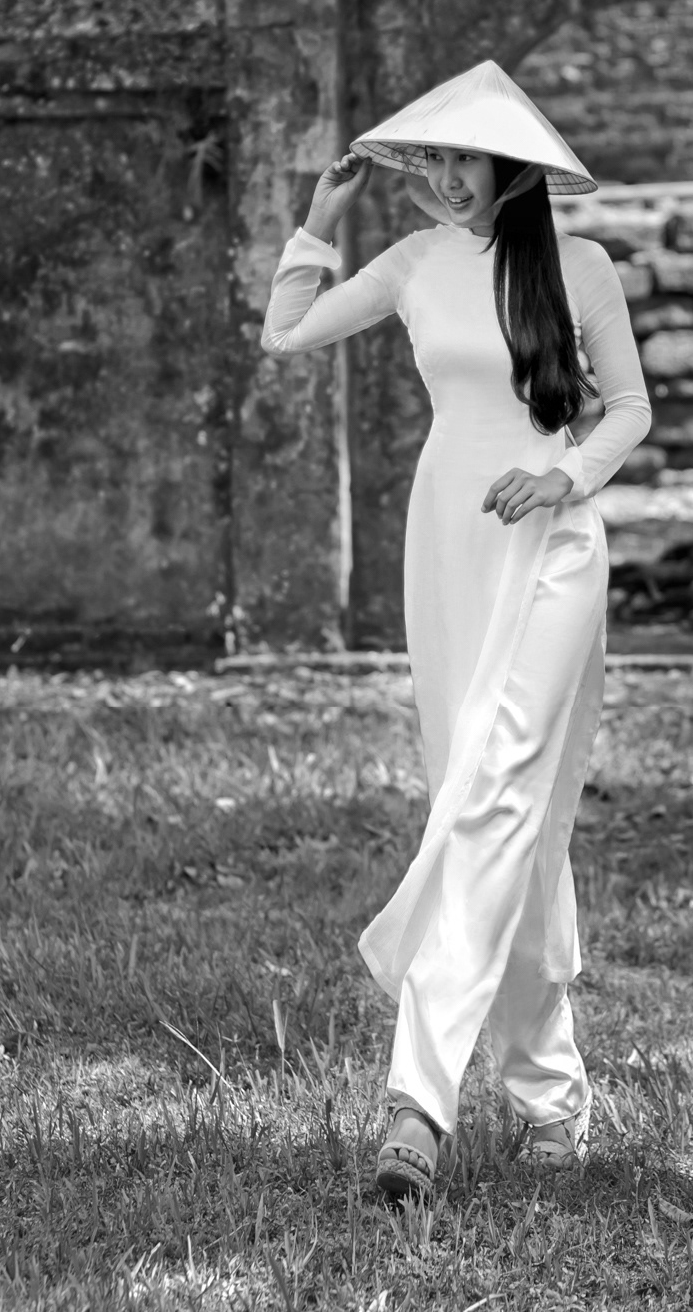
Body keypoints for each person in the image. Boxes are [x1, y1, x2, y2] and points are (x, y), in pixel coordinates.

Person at [260, 60, 652, 1197]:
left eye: (461, 157)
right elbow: (288, 333)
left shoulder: (579, 266)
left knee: (496, 796)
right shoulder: (414, 263)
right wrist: (319, 222)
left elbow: (629, 407)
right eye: (429, 158)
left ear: (512, 165)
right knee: (490, 808)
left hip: (554, 551)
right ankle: (551, 1099)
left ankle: (416, 1108)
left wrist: (565, 476)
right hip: (449, 546)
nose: (442, 178)